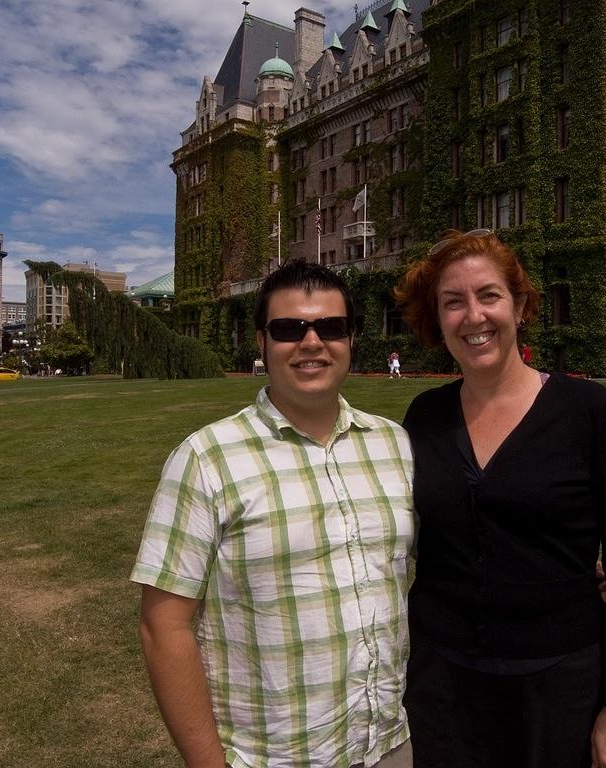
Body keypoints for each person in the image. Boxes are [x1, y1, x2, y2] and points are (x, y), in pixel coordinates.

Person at [393, 230, 606, 768]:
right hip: (447, 691)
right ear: (437, 318)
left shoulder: (587, 412)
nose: (473, 315)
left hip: (561, 688)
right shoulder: (424, 419)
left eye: (489, 295)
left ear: (519, 305)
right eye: (454, 301)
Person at [132, 259, 415, 768]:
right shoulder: (207, 457)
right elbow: (163, 628)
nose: (311, 342)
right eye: (289, 329)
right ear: (262, 343)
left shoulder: (394, 445)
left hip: (389, 742)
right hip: (273, 755)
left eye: (330, 327)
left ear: (351, 338)